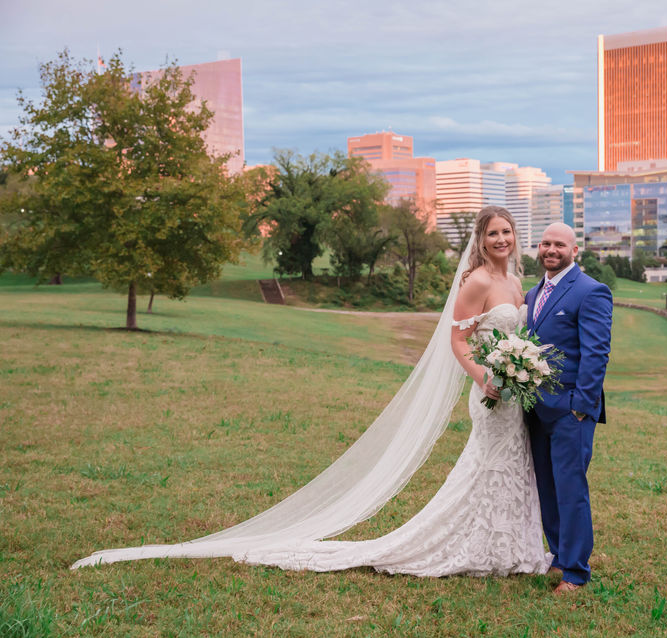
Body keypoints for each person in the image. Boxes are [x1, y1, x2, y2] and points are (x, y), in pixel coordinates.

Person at [73, 206, 552, 578]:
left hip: (514, 395)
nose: (501, 239)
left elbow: (513, 337)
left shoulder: (514, 280)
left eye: (507, 232)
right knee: (487, 463)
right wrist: (483, 377)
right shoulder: (478, 281)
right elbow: (457, 339)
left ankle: (509, 547)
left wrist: (520, 369)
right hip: (489, 392)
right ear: (480, 239)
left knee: (514, 464)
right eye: (493, 233)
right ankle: (471, 545)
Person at [524, 222, 613, 594]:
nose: (550, 250)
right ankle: (559, 556)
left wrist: (580, 405)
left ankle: (576, 572)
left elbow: (596, 352)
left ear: (574, 250)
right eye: (545, 243)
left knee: (570, 489)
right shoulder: (532, 294)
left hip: (571, 410)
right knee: (546, 487)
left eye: (559, 244)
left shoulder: (592, 291)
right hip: (535, 409)